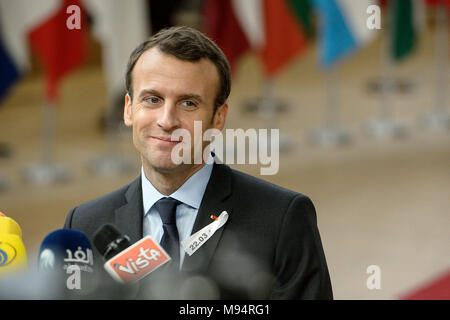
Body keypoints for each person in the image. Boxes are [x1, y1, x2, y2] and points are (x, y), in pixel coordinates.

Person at [64, 26, 333, 299]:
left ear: (218, 118)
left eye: (188, 103)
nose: (167, 121)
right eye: (153, 99)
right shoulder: (83, 226)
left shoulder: (281, 219)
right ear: (128, 109)